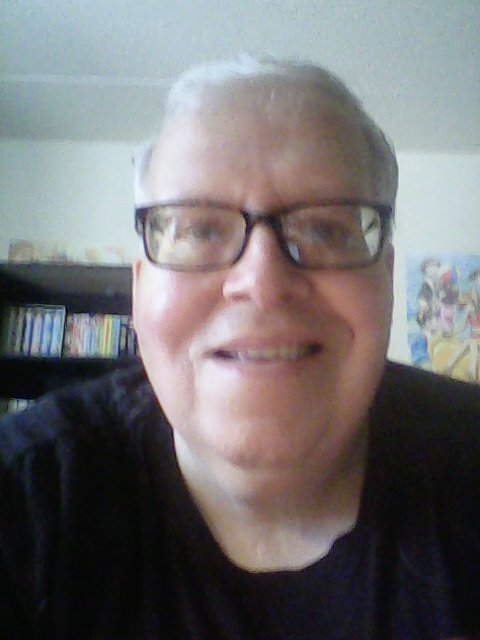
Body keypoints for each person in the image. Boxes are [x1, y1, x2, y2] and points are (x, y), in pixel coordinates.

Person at [1, 58, 479, 640]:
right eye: (200, 230)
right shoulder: (25, 501)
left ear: (386, 277)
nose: (264, 282)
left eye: (326, 229)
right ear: (140, 286)